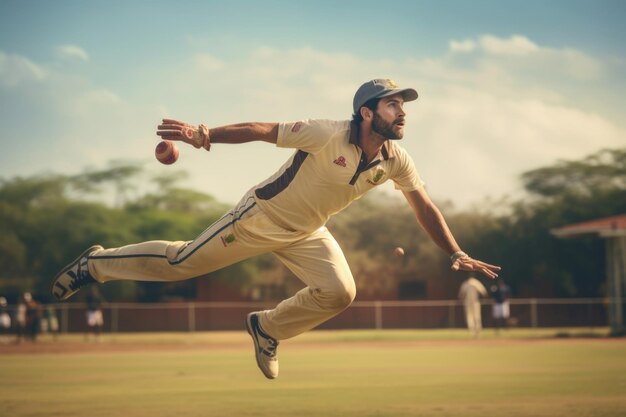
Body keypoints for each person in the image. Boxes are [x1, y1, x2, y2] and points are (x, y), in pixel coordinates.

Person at [52, 78, 500, 379]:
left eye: (403, 106)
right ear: (366, 113)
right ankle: (97, 263)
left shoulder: (395, 159)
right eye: (393, 105)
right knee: (180, 263)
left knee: (341, 292)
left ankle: (267, 329)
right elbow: (262, 129)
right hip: (260, 218)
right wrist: (204, 135)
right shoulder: (326, 133)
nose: (402, 112)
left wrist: (454, 251)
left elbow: (423, 207)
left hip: (309, 231)